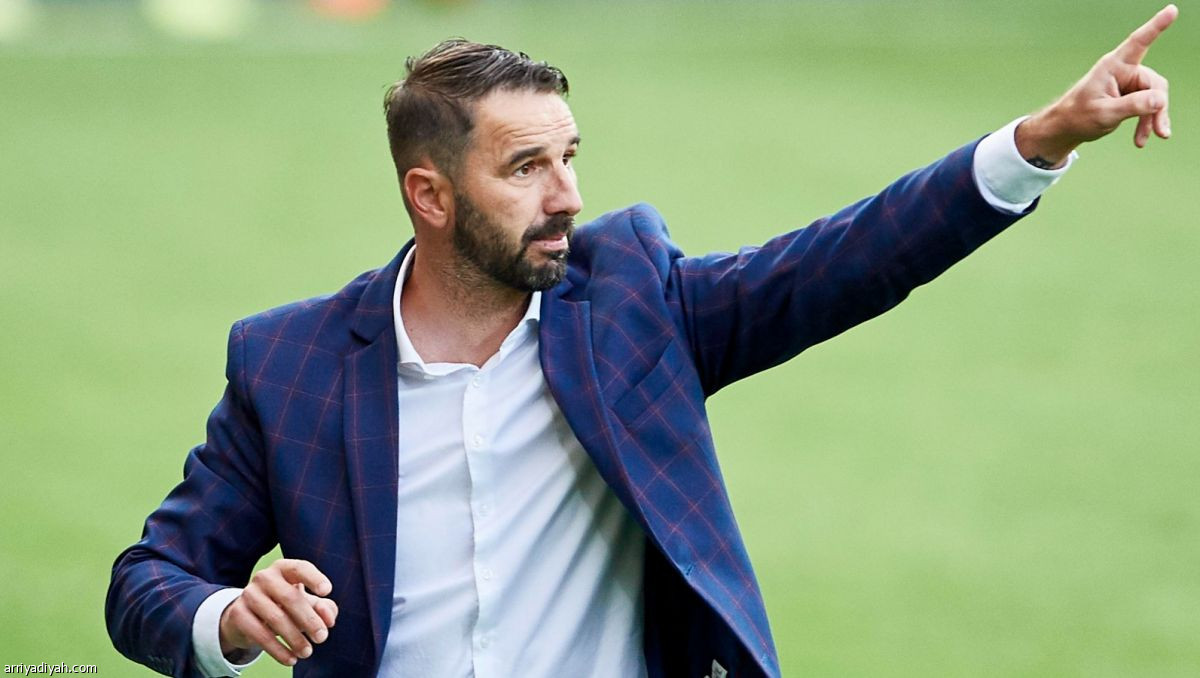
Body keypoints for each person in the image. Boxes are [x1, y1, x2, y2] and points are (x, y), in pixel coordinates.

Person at [106, 6, 1177, 677]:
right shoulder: (290, 365)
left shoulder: (633, 305)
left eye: (570, 156)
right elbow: (148, 579)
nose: (568, 194)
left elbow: (844, 261)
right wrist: (230, 616)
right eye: (526, 168)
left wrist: (1039, 141)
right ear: (429, 195)